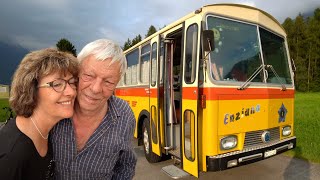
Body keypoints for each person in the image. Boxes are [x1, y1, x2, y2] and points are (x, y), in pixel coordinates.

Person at [51, 39, 137, 179]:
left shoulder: (124, 116)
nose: (96, 89)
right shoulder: (56, 103)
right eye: (89, 76)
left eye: (108, 81)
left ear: (116, 83)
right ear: (77, 72)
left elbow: (126, 165)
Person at [0, 48, 79, 179]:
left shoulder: (50, 132)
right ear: (32, 90)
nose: (71, 92)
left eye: (72, 82)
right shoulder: (11, 158)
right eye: (57, 84)